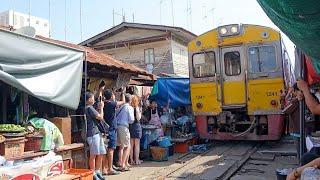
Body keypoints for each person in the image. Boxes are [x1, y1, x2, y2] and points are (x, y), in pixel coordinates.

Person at [286, 79, 320, 179]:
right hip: (302, 131)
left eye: (295, 91)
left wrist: (296, 173)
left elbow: (286, 110)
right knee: (306, 154)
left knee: (304, 155)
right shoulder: (303, 100)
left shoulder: (301, 101)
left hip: (299, 131)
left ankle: (301, 166)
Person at [103, 89, 125, 175]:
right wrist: (123, 92)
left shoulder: (104, 103)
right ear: (111, 96)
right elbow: (123, 101)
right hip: (112, 128)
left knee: (106, 149)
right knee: (111, 149)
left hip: (106, 128)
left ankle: (105, 168)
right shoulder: (111, 104)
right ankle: (110, 168)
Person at [84, 92, 106, 180]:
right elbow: (100, 117)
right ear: (89, 99)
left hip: (96, 133)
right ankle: (93, 172)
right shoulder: (89, 108)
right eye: (93, 98)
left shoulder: (90, 108)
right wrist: (101, 108)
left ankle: (97, 171)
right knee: (94, 154)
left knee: (101, 153)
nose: (94, 99)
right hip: (92, 134)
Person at [116, 94, 134, 171]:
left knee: (121, 147)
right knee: (127, 147)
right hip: (124, 127)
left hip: (118, 127)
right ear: (130, 100)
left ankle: (120, 162)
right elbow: (131, 119)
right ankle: (123, 165)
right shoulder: (129, 107)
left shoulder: (120, 107)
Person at [129, 95, 143, 165]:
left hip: (130, 126)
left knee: (131, 145)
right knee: (137, 145)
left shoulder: (129, 108)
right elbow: (138, 118)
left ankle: (131, 160)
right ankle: (137, 160)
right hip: (136, 126)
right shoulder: (137, 108)